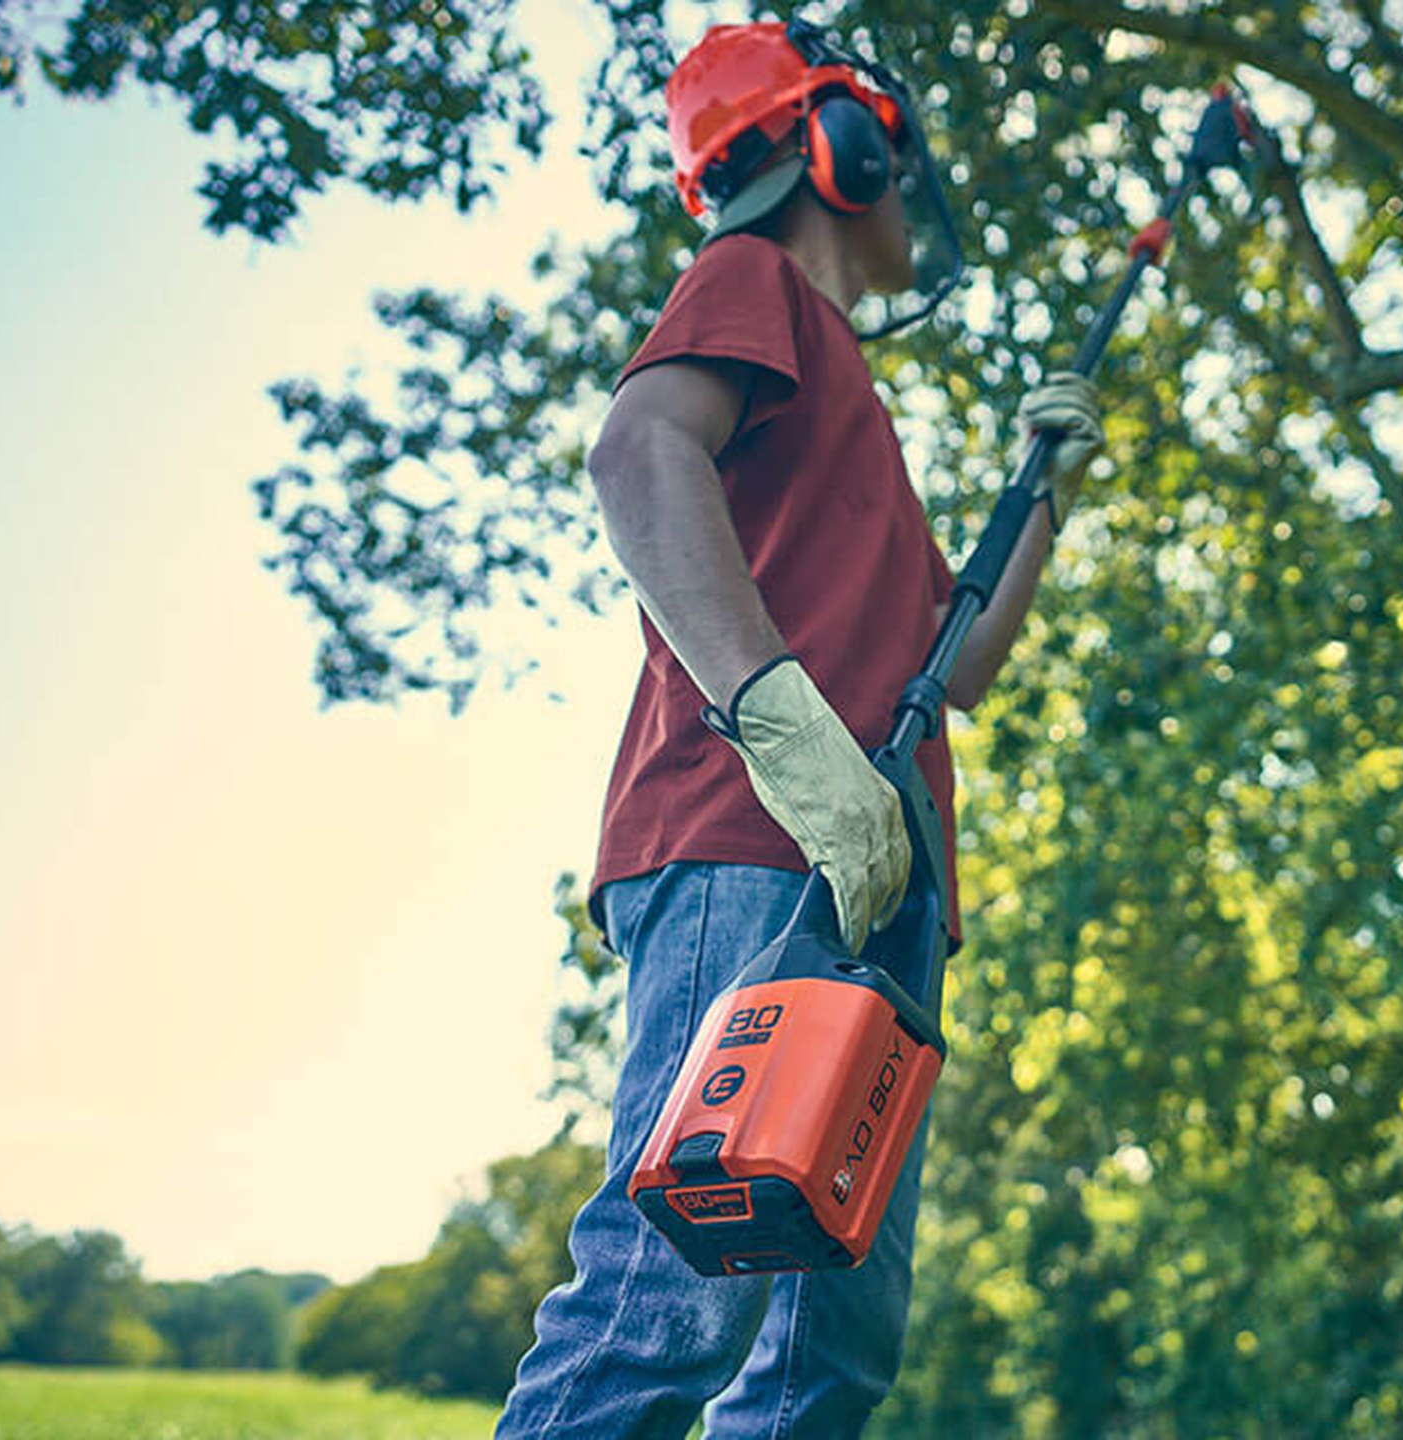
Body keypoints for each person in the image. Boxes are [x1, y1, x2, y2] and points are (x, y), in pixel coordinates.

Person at [493, 18, 1104, 1438]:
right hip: (753, 839)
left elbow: (955, 669)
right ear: (838, 148)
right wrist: (779, 727)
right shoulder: (749, 280)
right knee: (670, 1297)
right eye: (882, 143)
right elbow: (639, 450)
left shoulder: (849, 399)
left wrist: (1045, 496)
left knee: (826, 1350)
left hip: (882, 872)